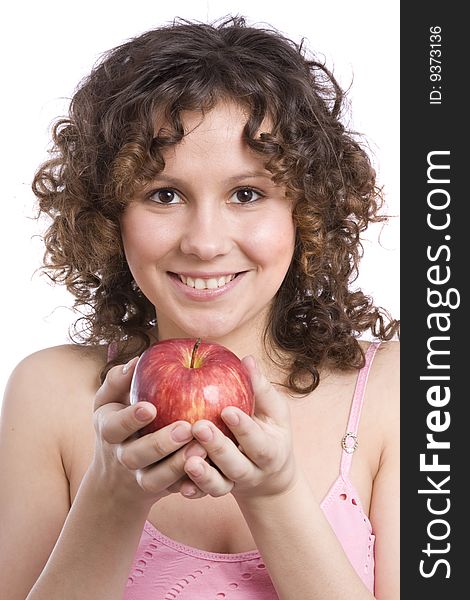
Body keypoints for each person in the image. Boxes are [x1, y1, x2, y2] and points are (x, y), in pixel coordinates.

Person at [0, 15, 399, 600]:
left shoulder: (398, 393)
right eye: (164, 195)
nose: (205, 242)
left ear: (306, 210)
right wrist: (111, 497)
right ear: (109, 217)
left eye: (247, 194)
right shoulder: (49, 393)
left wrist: (275, 495)